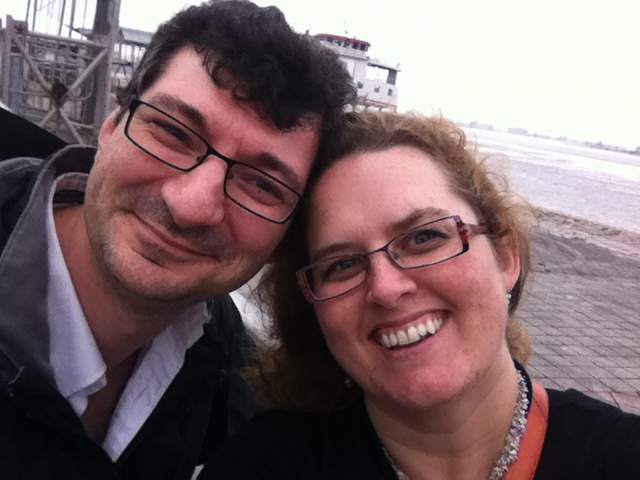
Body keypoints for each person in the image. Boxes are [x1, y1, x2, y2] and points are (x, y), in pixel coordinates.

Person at [0, 1, 354, 478]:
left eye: (261, 185)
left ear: (284, 238)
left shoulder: (219, 347)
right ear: (111, 126)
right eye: (171, 132)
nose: (192, 205)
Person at [200, 111, 640, 479]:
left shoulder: (620, 456)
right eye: (343, 264)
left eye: (425, 237)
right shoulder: (261, 465)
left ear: (506, 257)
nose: (387, 289)